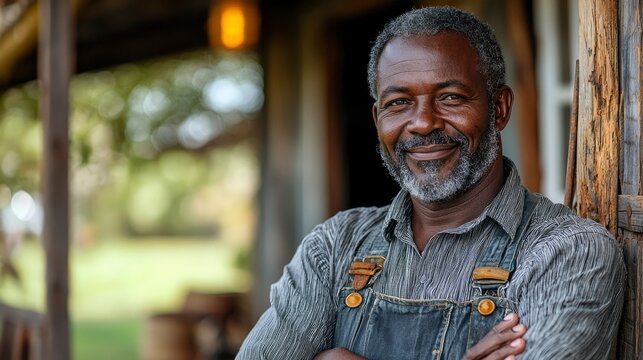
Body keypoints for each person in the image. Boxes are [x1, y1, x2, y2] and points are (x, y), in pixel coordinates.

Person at [236, 6, 625, 360]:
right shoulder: (335, 247)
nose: (423, 123)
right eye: (398, 103)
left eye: (451, 97)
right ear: (378, 119)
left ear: (500, 109)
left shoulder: (569, 253)